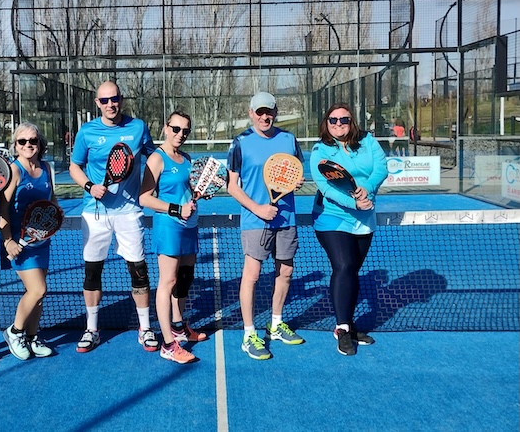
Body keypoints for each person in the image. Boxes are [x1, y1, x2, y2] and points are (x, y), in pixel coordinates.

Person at [69, 80, 158, 353]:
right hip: (94, 214)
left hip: (129, 212)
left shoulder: (138, 127)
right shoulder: (86, 132)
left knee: (138, 271)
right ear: (97, 103)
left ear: (122, 99)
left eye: (114, 99)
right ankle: (92, 329)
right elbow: (75, 166)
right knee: (92, 272)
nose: (110, 104)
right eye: (104, 100)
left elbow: (154, 158)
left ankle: (145, 329)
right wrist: (89, 186)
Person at [226, 92, 306, 360]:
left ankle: (275, 323)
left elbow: (296, 172)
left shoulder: (288, 139)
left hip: (286, 218)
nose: (264, 116)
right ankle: (249, 334)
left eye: (268, 111)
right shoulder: (240, 143)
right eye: (259, 112)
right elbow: (231, 186)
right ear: (251, 113)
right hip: (255, 220)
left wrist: (296, 182)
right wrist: (258, 208)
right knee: (252, 275)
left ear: (275, 111)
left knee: (285, 271)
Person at [309, 102, 388, 356]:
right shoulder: (320, 150)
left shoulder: (367, 141)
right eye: (333, 120)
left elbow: (381, 168)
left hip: (364, 218)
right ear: (326, 123)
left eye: (344, 120)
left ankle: (350, 323)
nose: (339, 124)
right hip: (332, 218)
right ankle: (342, 328)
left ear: (351, 121)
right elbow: (327, 188)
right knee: (343, 266)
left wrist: (369, 190)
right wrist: (353, 201)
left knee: (352, 270)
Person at [140, 111, 208, 364]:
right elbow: (144, 198)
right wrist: (175, 209)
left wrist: (200, 195)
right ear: (165, 128)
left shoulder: (187, 158)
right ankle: (168, 343)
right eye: (176, 129)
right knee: (167, 281)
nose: (181, 134)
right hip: (168, 226)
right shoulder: (156, 159)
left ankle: (179, 327)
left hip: (189, 225)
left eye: (185, 131)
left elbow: (188, 190)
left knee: (185, 277)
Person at [0, 122, 56, 360]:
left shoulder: (46, 168)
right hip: (19, 245)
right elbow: (2, 209)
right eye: (22, 141)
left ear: (39, 143)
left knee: (39, 295)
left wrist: (53, 221)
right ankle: (15, 332)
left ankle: (32, 337)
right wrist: (8, 241)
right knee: (38, 289)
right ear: (15, 146)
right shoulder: (13, 171)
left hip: (41, 242)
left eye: (32, 141)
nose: (28, 145)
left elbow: (53, 202)